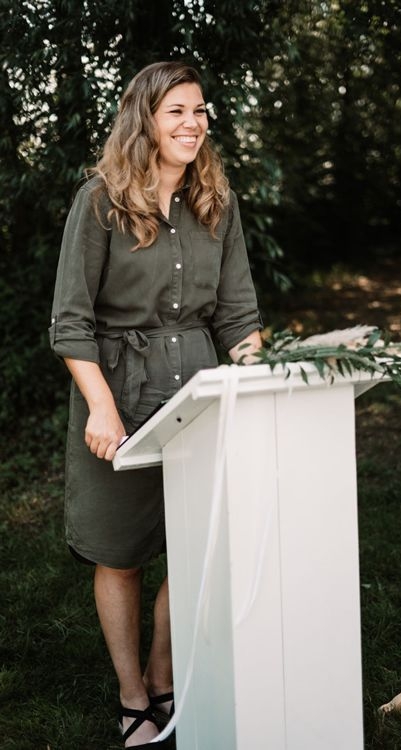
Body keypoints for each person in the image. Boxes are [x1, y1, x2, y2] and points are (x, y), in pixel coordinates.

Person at [49, 61, 262, 748]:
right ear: (144, 118)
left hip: (198, 390)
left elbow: (237, 317)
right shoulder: (100, 201)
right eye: (177, 111)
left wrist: (259, 383)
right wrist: (102, 410)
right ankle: (132, 692)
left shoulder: (218, 204)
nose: (193, 123)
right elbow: (70, 322)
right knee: (121, 553)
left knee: (193, 542)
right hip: (117, 390)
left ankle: (165, 673)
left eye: (200, 111)